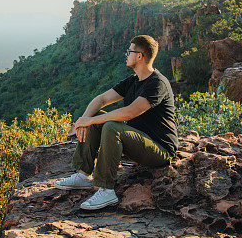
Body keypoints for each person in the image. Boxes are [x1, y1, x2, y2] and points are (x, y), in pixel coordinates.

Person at [54, 34, 178, 210]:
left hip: (160, 150)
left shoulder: (158, 83)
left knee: (111, 126)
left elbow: (130, 112)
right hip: (139, 141)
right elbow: (102, 99)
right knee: (99, 119)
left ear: (139, 56)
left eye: (129, 51)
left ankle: (106, 190)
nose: (126, 54)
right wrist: (84, 120)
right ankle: (83, 174)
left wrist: (91, 120)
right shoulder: (134, 81)